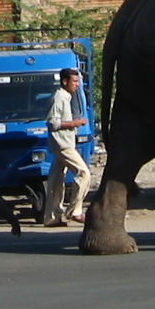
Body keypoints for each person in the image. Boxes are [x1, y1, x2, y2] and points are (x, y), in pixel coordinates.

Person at [42, 68, 91, 227]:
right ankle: (74, 210)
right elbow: (52, 122)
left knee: (56, 180)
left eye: (78, 82)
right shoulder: (59, 97)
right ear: (64, 81)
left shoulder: (66, 97)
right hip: (62, 144)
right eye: (74, 81)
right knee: (83, 172)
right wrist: (74, 123)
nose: (77, 85)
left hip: (64, 142)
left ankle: (51, 217)